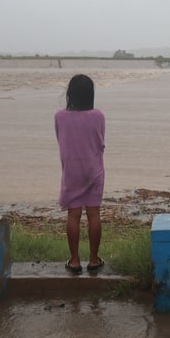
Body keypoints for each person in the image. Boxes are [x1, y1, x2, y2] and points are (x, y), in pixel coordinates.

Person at [55, 74, 106, 273]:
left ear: (70, 94)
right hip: (93, 169)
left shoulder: (60, 116)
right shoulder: (98, 116)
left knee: (73, 215)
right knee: (94, 214)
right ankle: (94, 259)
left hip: (71, 171)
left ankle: (75, 260)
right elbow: (100, 143)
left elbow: (61, 141)